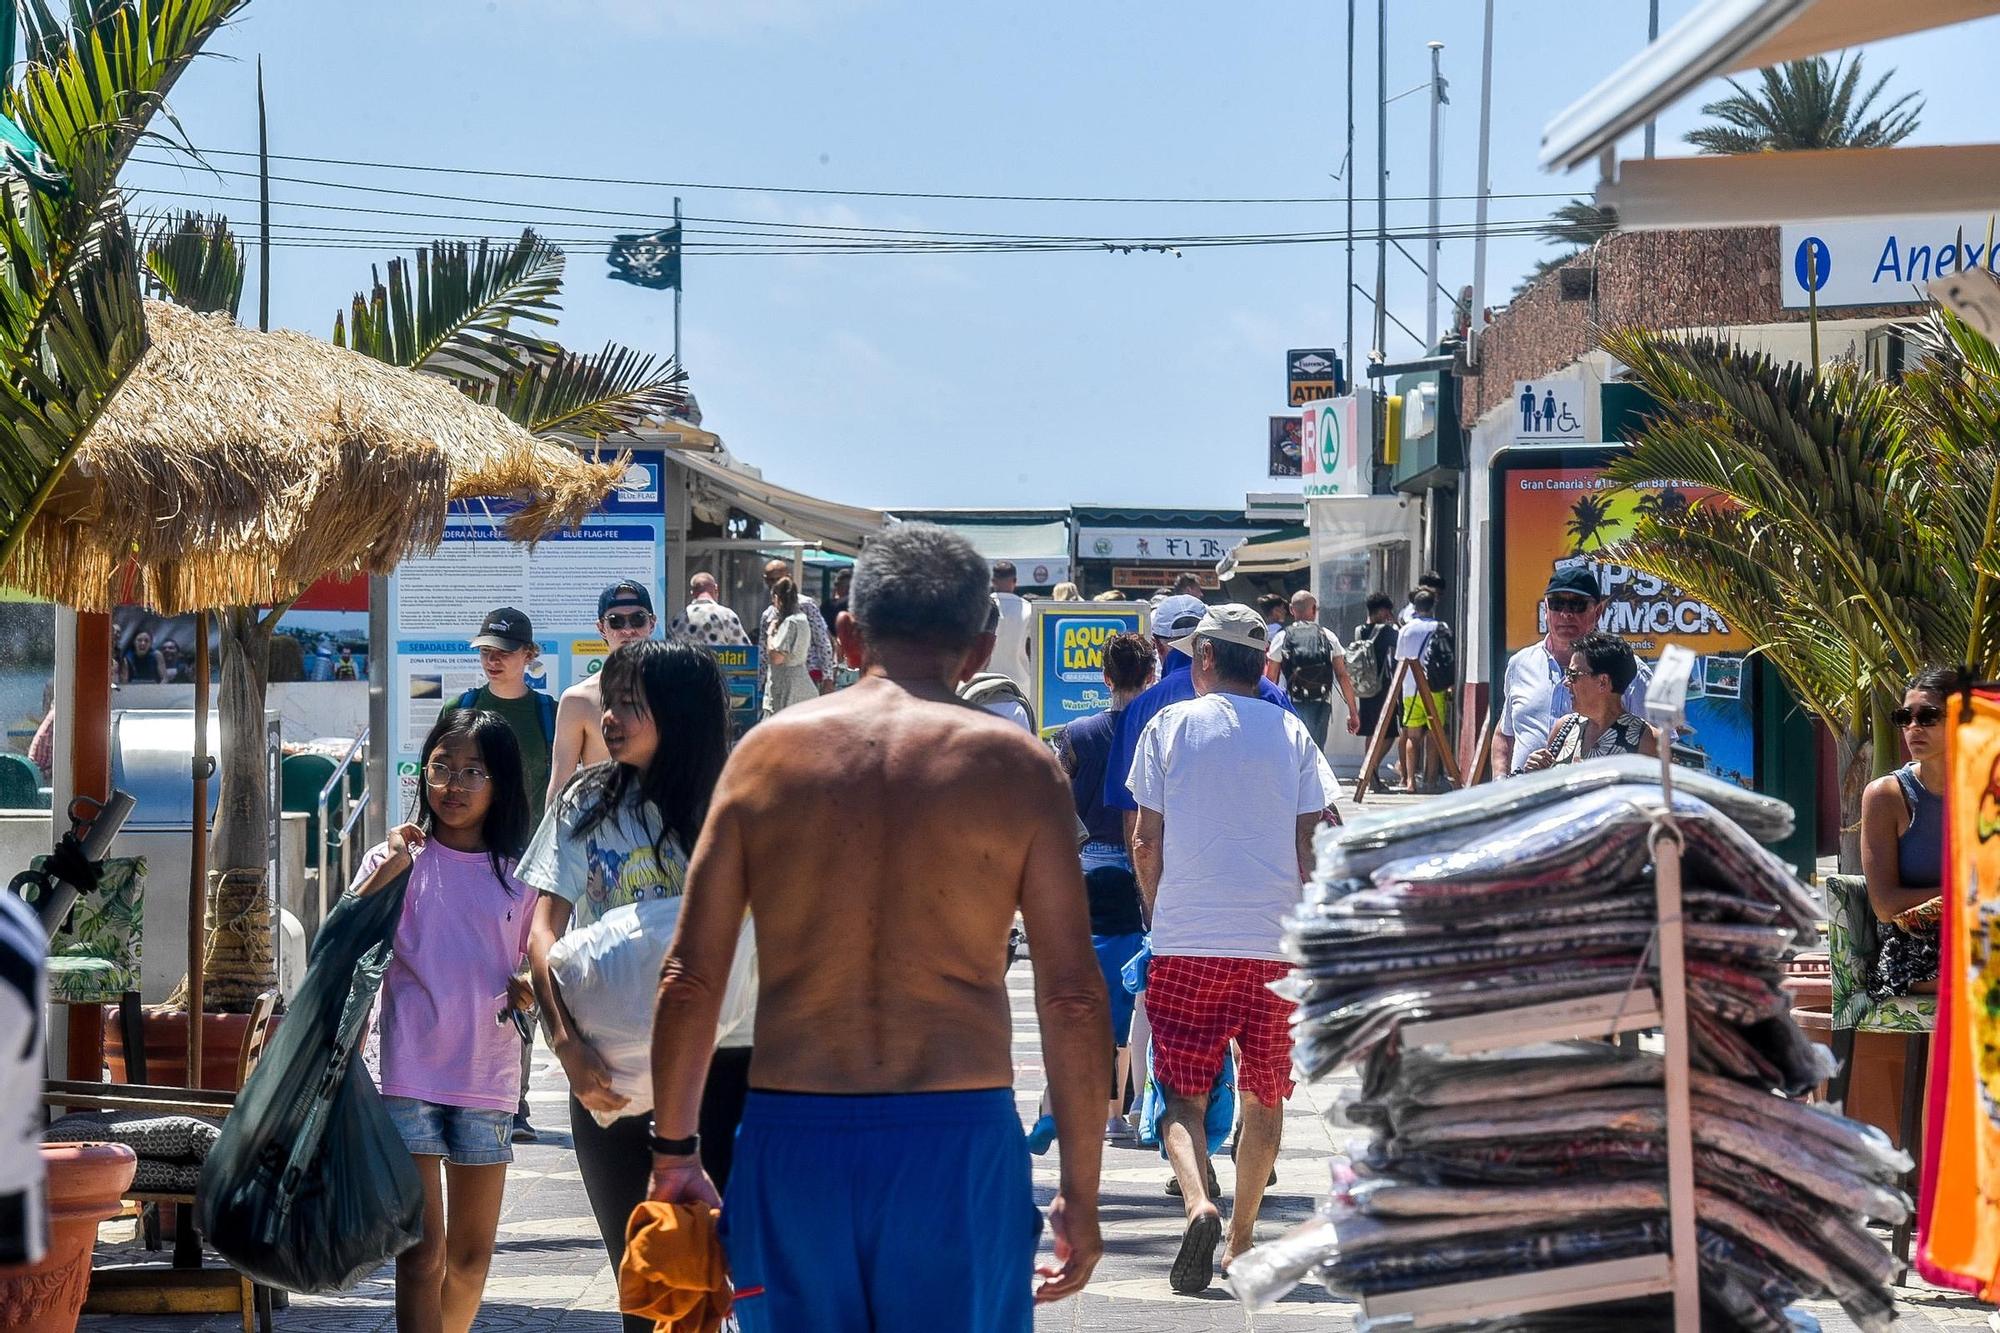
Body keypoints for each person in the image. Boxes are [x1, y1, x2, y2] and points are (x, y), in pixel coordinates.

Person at [645, 522, 1106, 1330]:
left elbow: (690, 978)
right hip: (957, 1140)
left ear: (849, 635)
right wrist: (1080, 1188)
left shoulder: (764, 757)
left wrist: (675, 1151)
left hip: (796, 1138)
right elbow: (1069, 995)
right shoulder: (1019, 769)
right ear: (981, 647)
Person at [522, 641, 736, 1333]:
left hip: (729, 1073)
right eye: (607, 701)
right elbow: (540, 934)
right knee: (645, 1282)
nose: (608, 717)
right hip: (606, 1076)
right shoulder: (583, 801)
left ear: (680, 710)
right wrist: (566, 1046)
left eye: (629, 703)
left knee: (728, 1275)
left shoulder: (738, 804)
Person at [1128, 604, 1336, 1293]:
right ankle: (1242, 1237)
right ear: (1263, 663)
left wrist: (1161, 913)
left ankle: (1198, 1201)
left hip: (1188, 941)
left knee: (1181, 1094)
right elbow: (1314, 845)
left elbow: (1145, 840)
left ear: (1207, 658)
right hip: (1274, 946)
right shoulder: (1293, 732)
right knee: (1265, 1093)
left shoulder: (1167, 726)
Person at [347, 710, 535, 1333]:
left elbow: (545, 958)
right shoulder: (399, 854)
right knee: (421, 1255)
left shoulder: (520, 875)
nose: (454, 784)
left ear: (500, 782)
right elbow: (344, 934)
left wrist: (535, 985)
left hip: (487, 1076)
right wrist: (390, 864)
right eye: (441, 767)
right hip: (406, 1071)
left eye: (473, 771)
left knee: (473, 1260)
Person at [441, 606, 556, 1142]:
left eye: (504, 651)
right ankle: (460, 1089)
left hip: (530, 867)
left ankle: (516, 1100)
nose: (493, 659)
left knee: (524, 980)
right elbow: (441, 780)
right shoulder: (463, 708)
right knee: (470, 981)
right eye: (486, 650)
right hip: (470, 863)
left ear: (529, 657)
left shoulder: (550, 714)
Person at [1052, 631, 1156, 1141]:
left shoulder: (1079, 731)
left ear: (1106, 676)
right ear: (1152, 674)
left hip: (1092, 864)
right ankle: (1137, 1100)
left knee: (1098, 984)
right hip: (1151, 864)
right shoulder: (1159, 728)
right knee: (1145, 985)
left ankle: (1101, 1104)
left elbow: (1055, 795)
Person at [1100, 595, 1296, 846]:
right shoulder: (1274, 697)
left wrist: (1145, 883)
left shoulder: (1141, 710)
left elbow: (1133, 815)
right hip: (1269, 863)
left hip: (1179, 873)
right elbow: (1308, 802)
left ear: (1157, 645)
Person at [1494, 567, 1650, 777]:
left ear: (1597, 612)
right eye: (1557, 604)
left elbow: (1654, 744)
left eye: (1577, 604)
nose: (1566, 614)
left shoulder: (1630, 671)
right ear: (1546, 609)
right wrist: (1501, 782)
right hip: (1527, 799)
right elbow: (1505, 734)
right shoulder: (1520, 664)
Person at [1860, 666, 1955, 999]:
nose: (1913, 728)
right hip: (1915, 951)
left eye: (1928, 717)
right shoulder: (1887, 795)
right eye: (1905, 717)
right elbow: (1885, 905)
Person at [547, 582, 660, 808]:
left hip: (663, 823)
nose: (628, 630)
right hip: (603, 828)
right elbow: (560, 784)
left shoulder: (672, 690)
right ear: (601, 628)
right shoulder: (578, 700)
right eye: (616, 621)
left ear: (652, 623)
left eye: (637, 619)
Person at [1521, 632, 1657, 770]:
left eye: (1572, 675)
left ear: (1602, 682)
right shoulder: (1564, 728)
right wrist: (1537, 772)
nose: (1566, 682)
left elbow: (1656, 790)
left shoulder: (1645, 739)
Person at [1264, 589, 1360, 751]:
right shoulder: (1328, 636)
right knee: (1316, 752)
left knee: (1295, 750)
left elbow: (1270, 679)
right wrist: (1353, 711)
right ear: (1314, 609)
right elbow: (1343, 676)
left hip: (1292, 703)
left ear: (1292, 610)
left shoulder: (1282, 638)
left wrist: (1265, 710)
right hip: (1322, 703)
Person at [1395, 590, 1448, 793]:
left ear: (1414, 607)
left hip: (1410, 687)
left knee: (1412, 736)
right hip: (1435, 687)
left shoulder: (1406, 630)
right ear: (1432, 606)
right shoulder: (1439, 628)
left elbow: (1400, 659)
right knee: (1435, 735)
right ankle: (1431, 779)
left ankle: (1410, 781)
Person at [759, 559, 833, 696]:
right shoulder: (768, 614)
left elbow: (822, 641)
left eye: (779, 579)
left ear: (789, 578)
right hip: (779, 679)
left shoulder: (806, 606)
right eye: (771, 580)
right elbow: (763, 653)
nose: (775, 584)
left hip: (808, 674)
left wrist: (828, 678)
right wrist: (761, 683)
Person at [762, 576, 816, 716]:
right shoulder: (802, 619)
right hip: (801, 685)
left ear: (777, 598)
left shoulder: (791, 623)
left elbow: (776, 657)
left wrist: (770, 634)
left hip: (788, 689)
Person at [1351, 593, 1400, 742]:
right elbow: (1402, 641)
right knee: (1389, 732)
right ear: (1381, 611)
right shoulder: (1385, 631)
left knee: (1371, 731)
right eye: (1387, 611)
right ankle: (1372, 764)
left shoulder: (1359, 630)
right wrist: (1396, 622)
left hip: (1364, 687)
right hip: (1381, 686)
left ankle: (1370, 764)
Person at [988, 560, 1035, 697]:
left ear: (993, 581)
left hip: (985, 683)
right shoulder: (1028, 609)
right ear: (1015, 581)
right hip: (1020, 684)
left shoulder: (981, 607)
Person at [669, 572, 752, 649]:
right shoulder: (726, 615)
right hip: (716, 664)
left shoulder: (677, 620)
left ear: (692, 593)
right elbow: (746, 651)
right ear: (716, 590)